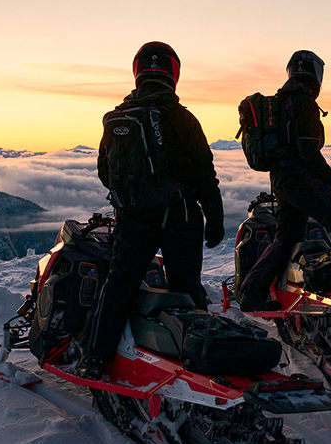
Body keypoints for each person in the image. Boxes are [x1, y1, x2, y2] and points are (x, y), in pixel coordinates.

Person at [78, 41, 225, 377]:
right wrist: (214, 217)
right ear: (173, 73)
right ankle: (202, 362)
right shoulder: (182, 118)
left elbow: (105, 174)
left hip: (133, 219)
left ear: (137, 71)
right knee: (186, 289)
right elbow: (205, 174)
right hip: (181, 217)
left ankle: (95, 360)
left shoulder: (118, 118)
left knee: (119, 287)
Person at [236, 50, 331, 312]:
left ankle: (252, 290)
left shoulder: (281, 101)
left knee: (286, 237)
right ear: (316, 75)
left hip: (283, 181)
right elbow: (308, 149)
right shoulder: (302, 102)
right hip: (302, 177)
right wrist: (330, 181)